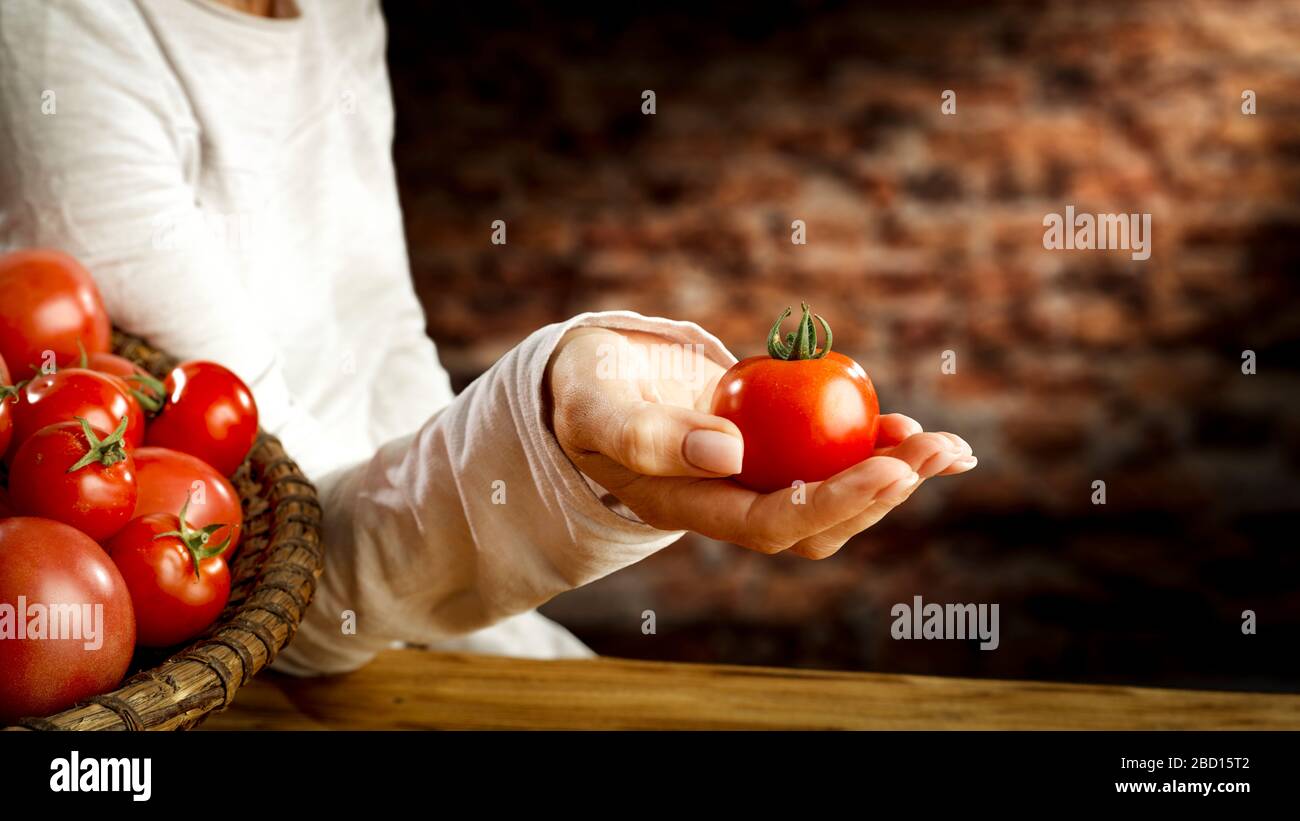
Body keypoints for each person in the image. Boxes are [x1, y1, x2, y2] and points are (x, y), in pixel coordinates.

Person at [0, 0, 976, 675]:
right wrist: (549, 426)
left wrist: (526, 474)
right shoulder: (57, 38)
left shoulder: (334, 9)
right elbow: (275, 571)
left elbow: (382, 341)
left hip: (412, 621)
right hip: (254, 676)